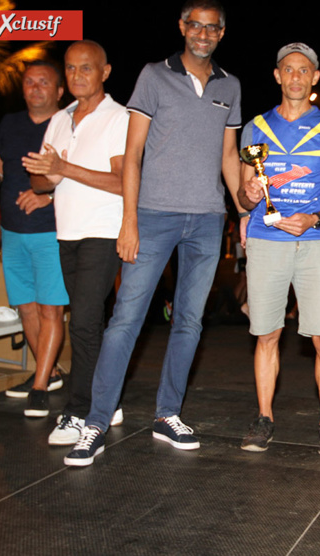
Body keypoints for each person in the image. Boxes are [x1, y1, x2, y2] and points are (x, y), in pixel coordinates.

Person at [64, 0, 242, 467]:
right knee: (126, 319)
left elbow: (229, 156)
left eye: (212, 28)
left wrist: (244, 201)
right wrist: (130, 220)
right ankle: (96, 421)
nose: (203, 34)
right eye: (195, 26)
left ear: (221, 33)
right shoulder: (153, 75)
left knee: (189, 320)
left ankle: (168, 414)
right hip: (154, 216)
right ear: (183, 28)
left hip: (206, 219)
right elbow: (133, 150)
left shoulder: (231, 85)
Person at [237, 43, 320, 457]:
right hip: (267, 241)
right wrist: (248, 193)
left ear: (314, 77)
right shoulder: (257, 129)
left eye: (304, 70)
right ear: (277, 75)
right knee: (267, 334)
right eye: (289, 69)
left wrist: (316, 219)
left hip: (316, 242)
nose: (296, 77)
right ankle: (264, 417)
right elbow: (244, 194)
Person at [23, 41, 128, 429]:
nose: (77, 75)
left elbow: (123, 182)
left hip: (103, 232)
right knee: (85, 322)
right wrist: (47, 172)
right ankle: (108, 401)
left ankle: (82, 409)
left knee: (84, 321)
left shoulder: (119, 117)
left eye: (87, 68)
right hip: (65, 232)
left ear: (105, 72)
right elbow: (41, 182)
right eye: (70, 68)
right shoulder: (60, 118)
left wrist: (63, 168)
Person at [0, 61, 68, 411]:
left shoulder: (67, 124)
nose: (35, 88)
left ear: (59, 90)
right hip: (13, 232)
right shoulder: (10, 123)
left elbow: (84, 176)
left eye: (43, 82)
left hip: (51, 233)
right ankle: (51, 372)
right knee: (26, 308)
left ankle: (41, 385)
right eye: (29, 82)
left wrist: (49, 196)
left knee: (50, 310)